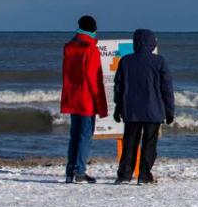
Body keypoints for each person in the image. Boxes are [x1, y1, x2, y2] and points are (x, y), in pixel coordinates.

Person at [113, 28, 175, 185]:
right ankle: (144, 176)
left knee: (130, 143)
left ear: (136, 42)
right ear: (152, 43)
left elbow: (118, 88)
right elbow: (167, 88)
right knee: (149, 144)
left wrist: (118, 108)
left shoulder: (126, 61)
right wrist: (169, 111)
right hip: (153, 110)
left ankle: (124, 176)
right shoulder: (159, 61)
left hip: (131, 110)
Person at [61, 15, 109, 184]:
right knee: (84, 136)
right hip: (86, 98)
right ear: (93, 29)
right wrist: (101, 103)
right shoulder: (90, 48)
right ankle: (79, 171)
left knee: (74, 135)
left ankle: (70, 171)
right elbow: (93, 78)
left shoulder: (69, 46)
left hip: (72, 96)